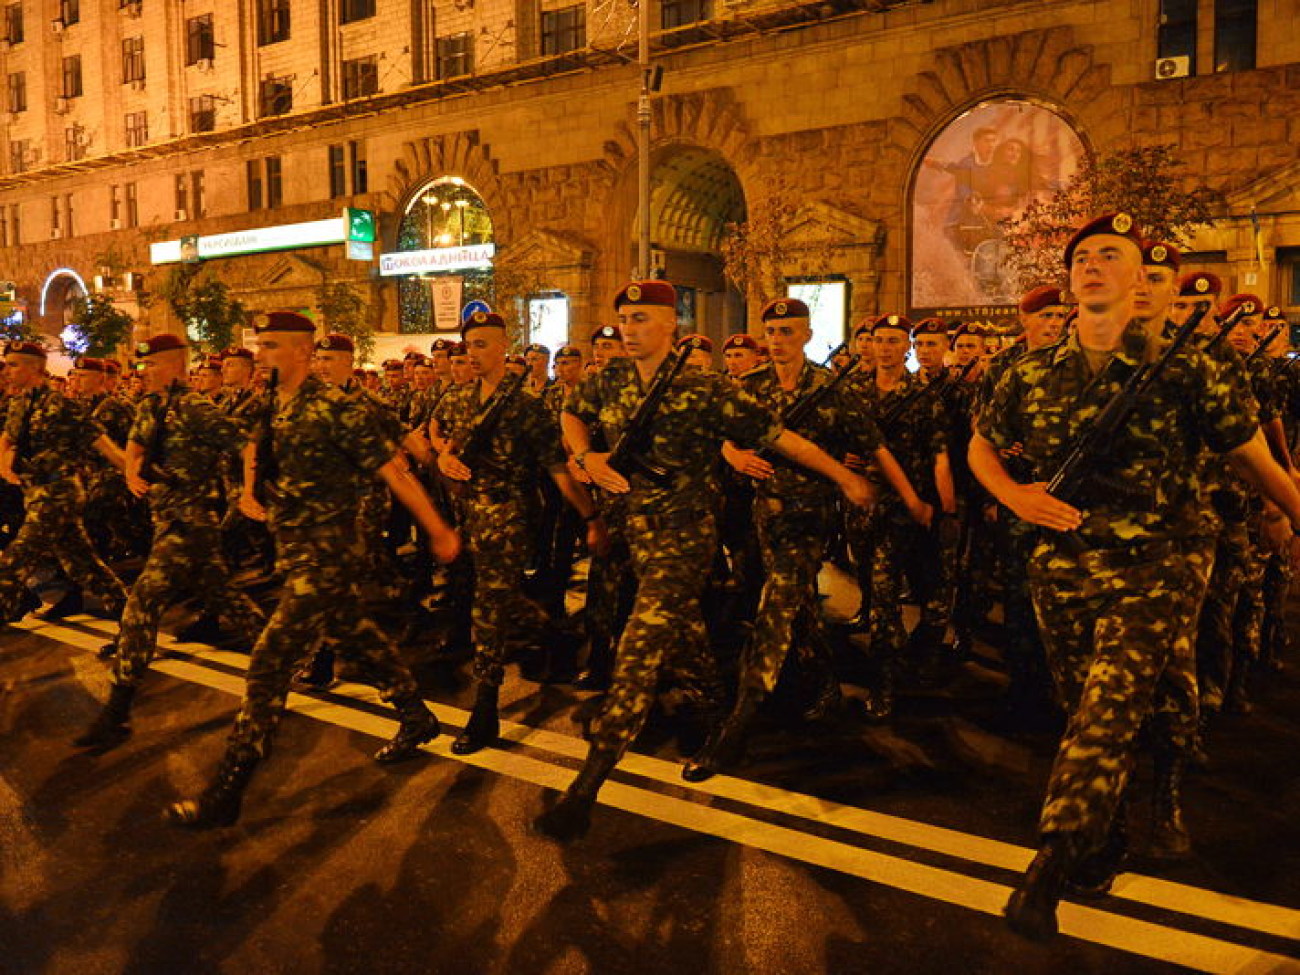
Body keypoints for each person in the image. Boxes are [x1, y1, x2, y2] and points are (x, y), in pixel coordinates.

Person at [970, 213, 1300, 942]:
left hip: (1160, 561)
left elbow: (1254, 458)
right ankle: (1109, 829)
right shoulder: (1031, 370)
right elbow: (981, 446)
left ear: (1141, 277)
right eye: (1081, 256)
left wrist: (1292, 514)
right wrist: (1015, 494)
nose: (1092, 265)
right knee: (1079, 701)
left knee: (1109, 706)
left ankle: (1053, 857)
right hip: (1062, 565)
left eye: (1108, 256)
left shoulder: (1189, 366)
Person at [532, 280, 874, 841]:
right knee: (682, 632)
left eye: (642, 318)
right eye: (624, 318)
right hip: (635, 531)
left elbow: (785, 440)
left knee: (641, 646)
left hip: (685, 536)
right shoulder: (609, 379)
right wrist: (586, 455)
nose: (630, 328)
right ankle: (716, 705)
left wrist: (844, 477)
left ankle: (589, 782)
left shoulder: (706, 389)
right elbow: (572, 414)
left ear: (672, 325)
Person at [166, 312, 462, 830]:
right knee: (355, 633)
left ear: (302, 352)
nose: (261, 355)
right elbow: (252, 448)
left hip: (329, 551)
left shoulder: (336, 408)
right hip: (295, 547)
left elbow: (391, 471)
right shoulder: (269, 404)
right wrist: (249, 491)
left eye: (272, 346)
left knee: (269, 661)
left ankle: (229, 786)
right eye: (260, 346)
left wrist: (437, 528)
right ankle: (416, 715)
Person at [683, 298, 920, 781]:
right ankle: (827, 683)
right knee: (800, 608)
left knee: (776, 608)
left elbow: (875, 444)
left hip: (809, 519)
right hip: (763, 516)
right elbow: (720, 434)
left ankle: (738, 724)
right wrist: (734, 456)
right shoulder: (750, 386)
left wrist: (909, 498)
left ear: (807, 336)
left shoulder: (832, 390)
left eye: (788, 331)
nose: (777, 338)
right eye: (771, 331)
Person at [73, 334, 268, 752]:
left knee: (143, 601)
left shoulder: (194, 407)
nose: (145, 372)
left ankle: (117, 711)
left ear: (177, 366)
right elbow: (137, 444)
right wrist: (130, 472)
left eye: (154, 365)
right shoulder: (151, 404)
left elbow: (246, 444)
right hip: (166, 518)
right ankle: (292, 651)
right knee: (225, 597)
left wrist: (249, 491)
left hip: (191, 519)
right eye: (143, 367)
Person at [431, 312, 605, 753]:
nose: (475, 352)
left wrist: (590, 518)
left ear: (505, 347)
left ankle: (484, 710)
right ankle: (555, 633)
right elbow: (447, 449)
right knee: (493, 599)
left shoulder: (527, 407)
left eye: (485, 344)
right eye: (470, 345)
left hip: (509, 517)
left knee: (487, 611)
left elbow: (558, 470)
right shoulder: (456, 400)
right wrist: (443, 461)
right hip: (468, 514)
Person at [0, 341, 129, 624]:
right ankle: (129, 612)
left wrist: (134, 474)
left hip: (58, 494)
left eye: (14, 364)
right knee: (83, 564)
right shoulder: (20, 402)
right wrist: (5, 467)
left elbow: (103, 444)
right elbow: (8, 439)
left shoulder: (60, 404)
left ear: (35, 367)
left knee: (15, 558)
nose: (7, 370)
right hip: (35, 492)